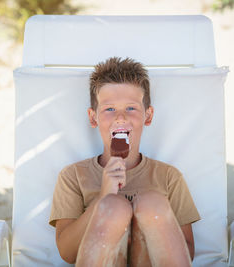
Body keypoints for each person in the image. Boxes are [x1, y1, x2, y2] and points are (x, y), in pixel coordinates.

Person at [49, 57, 200, 266]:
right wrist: (103, 196)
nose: (120, 117)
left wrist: (145, 226)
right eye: (109, 109)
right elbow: (66, 252)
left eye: (131, 108)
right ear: (93, 118)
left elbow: (188, 250)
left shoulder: (168, 177)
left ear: (148, 115)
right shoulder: (73, 176)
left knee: (152, 203)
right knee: (113, 207)